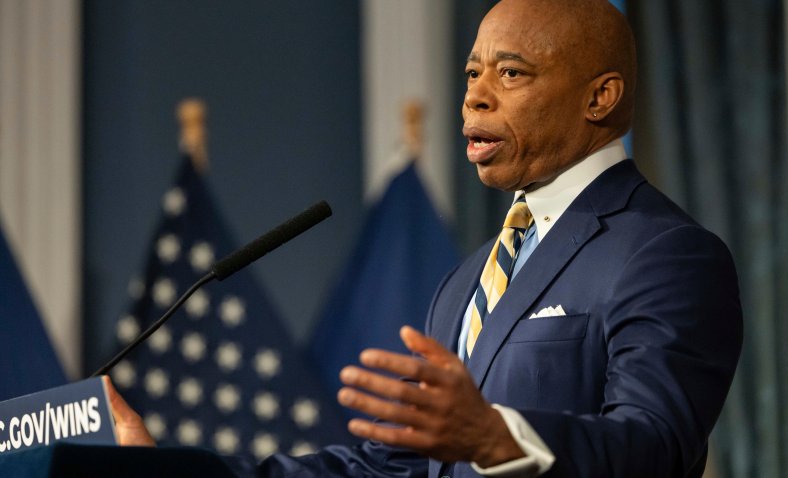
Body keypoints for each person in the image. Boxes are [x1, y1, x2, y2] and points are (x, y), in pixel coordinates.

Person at [107, 0, 743, 476]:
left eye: (511, 74)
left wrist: (498, 437)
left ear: (600, 97)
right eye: (471, 74)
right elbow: (390, 467)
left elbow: (657, 448)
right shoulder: (466, 281)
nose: (474, 98)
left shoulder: (664, 253)